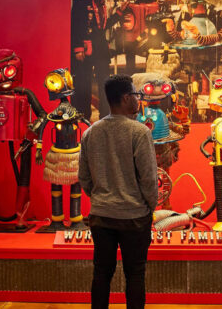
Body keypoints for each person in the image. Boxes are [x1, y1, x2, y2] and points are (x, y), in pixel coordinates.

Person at [78, 74, 158, 309]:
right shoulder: (139, 132)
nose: (138, 99)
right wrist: (148, 207)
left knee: (102, 273)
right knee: (135, 274)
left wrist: (100, 199)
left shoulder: (91, 132)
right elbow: (149, 180)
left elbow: (83, 177)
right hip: (134, 216)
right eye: (136, 95)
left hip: (101, 216)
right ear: (125, 98)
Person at [71, 0, 112, 121]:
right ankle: (82, 115)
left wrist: (119, 14)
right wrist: (77, 48)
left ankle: (106, 115)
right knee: (83, 82)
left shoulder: (102, 2)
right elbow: (75, 24)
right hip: (85, 46)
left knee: (105, 81)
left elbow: (102, 27)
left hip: (100, 48)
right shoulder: (81, 0)